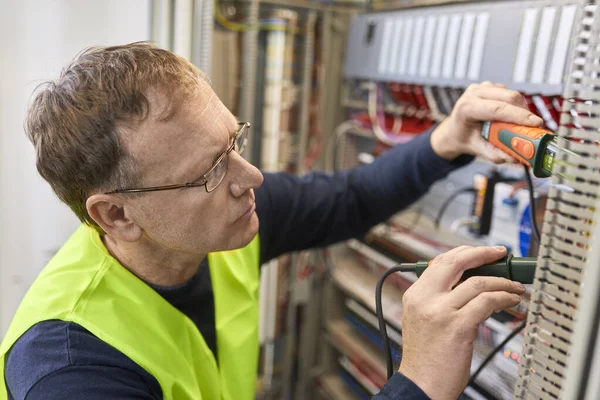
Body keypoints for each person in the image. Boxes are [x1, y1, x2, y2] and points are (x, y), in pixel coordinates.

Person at [0, 43, 539, 400]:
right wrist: (419, 381)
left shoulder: (218, 223)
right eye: (211, 170)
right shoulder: (70, 372)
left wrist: (447, 140)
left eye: (233, 141)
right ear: (116, 214)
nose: (251, 176)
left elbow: (349, 198)